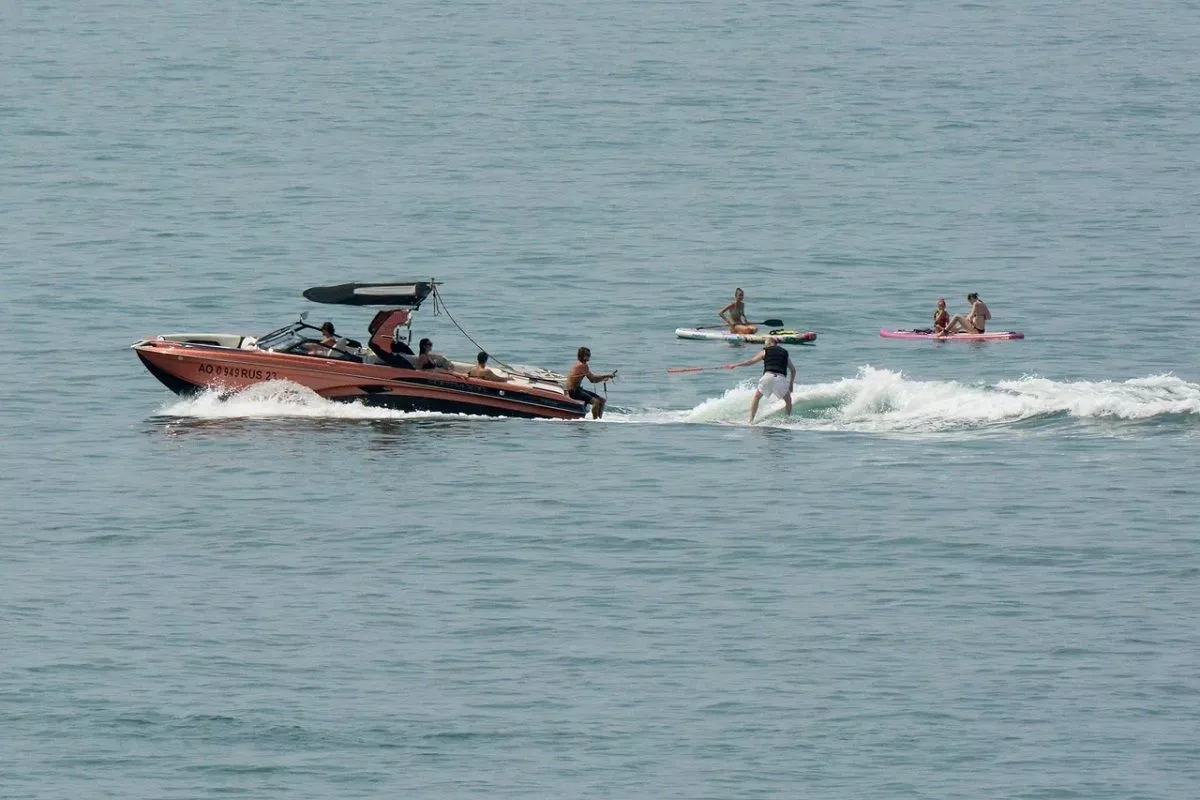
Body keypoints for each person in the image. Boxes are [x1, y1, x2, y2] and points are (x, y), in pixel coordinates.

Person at [726, 336, 796, 425]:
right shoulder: (785, 353)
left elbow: (750, 362)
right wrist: (791, 384)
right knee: (788, 400)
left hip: (768, 377)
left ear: (769, 343)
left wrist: (735, 365)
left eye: (765, 344)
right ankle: (787, 420)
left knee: (757, 398)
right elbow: (793, 370)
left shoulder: (765, 351)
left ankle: (751, 421)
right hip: (780, 378)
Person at [566, 346, 617, 419]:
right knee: (596, 402)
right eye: (588, 355)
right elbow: (592, 379)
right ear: (583, 356)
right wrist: (607, 375)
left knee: (601, 400)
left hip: (577, 389)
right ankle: (595, 421)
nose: (589, 357)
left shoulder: (579, 364)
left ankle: (599, 419)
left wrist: (604, 378)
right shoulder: (582, 366)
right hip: (573, 391)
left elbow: (593, 379)